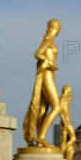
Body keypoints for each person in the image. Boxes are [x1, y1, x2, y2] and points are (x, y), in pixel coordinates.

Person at [23, 19, 62, 148]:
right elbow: (38, 53)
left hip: (49, 74)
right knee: (57, 107)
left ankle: (40, 138)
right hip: (47, 74)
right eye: (58, 28)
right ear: (55, 28)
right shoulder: (48, 40)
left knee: (43, 108)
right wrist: (49, 63)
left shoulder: (49, 40)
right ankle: (41, 136)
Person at [60, 85, 76, 160]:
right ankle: (62, 151)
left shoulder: (65, 101)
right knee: (73, 138)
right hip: (66, 122)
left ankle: (63, 151)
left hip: (68, 121)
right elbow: (62, 113)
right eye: (69, 92)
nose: (71, 96)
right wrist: (65, 124)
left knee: (71, 139)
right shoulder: (63, 100)